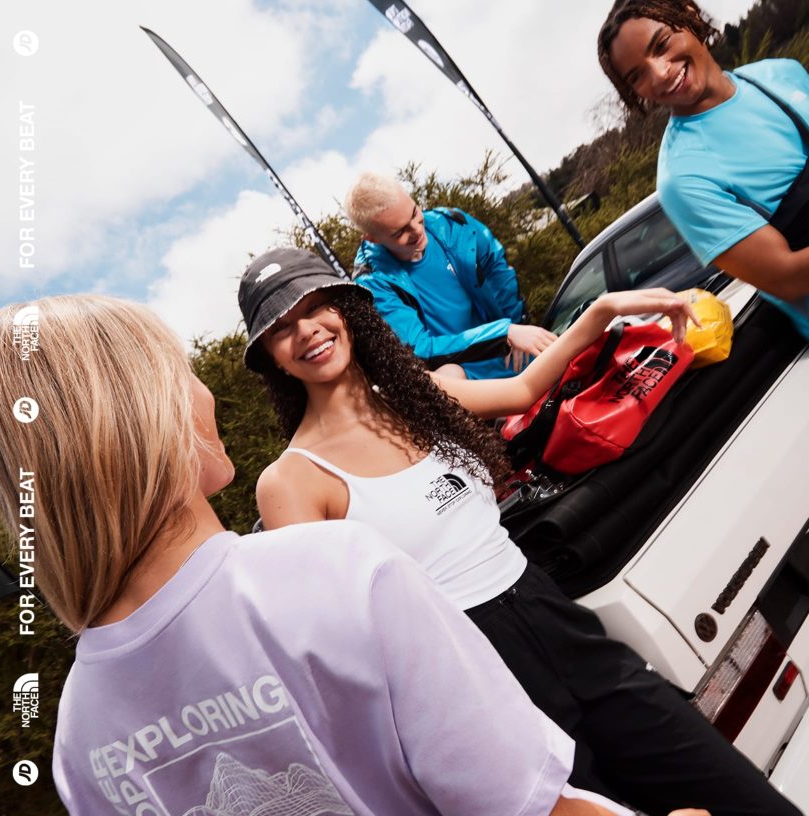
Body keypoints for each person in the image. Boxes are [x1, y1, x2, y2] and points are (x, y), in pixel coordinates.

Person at [0, 295, 642, 816]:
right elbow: (528, 804)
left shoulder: (79, 737)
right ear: (148, 416)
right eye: (184, 372)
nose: (206, 393)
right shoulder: (340, 571)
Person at [240, 247, 797, 816]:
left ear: (347, 309)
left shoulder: (416, 397)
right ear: (271, 359)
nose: (306, 331)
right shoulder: (291, 480)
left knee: (740, 794)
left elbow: (525, 390)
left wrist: (601, 311)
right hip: (482, 688)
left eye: (317, 307)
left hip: (561, 625)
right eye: (282, 328)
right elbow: (334, 646)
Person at [598, 0, 809, 339]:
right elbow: (787, 279)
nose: (660, 73)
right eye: (637, 76)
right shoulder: (683, 178)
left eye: (661, 45)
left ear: (689, 14)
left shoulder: (779, 74)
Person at [344, 171, 557, 380]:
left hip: (513, 352)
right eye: (400, 232)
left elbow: (498, 275)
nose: (417, 230)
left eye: (414, 213)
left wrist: (517, 328)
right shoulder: (373, 284)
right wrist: (502, 335)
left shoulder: (453, 225)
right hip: (466, 380)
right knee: (448, 376)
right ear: (372, 239)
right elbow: (419, 348)